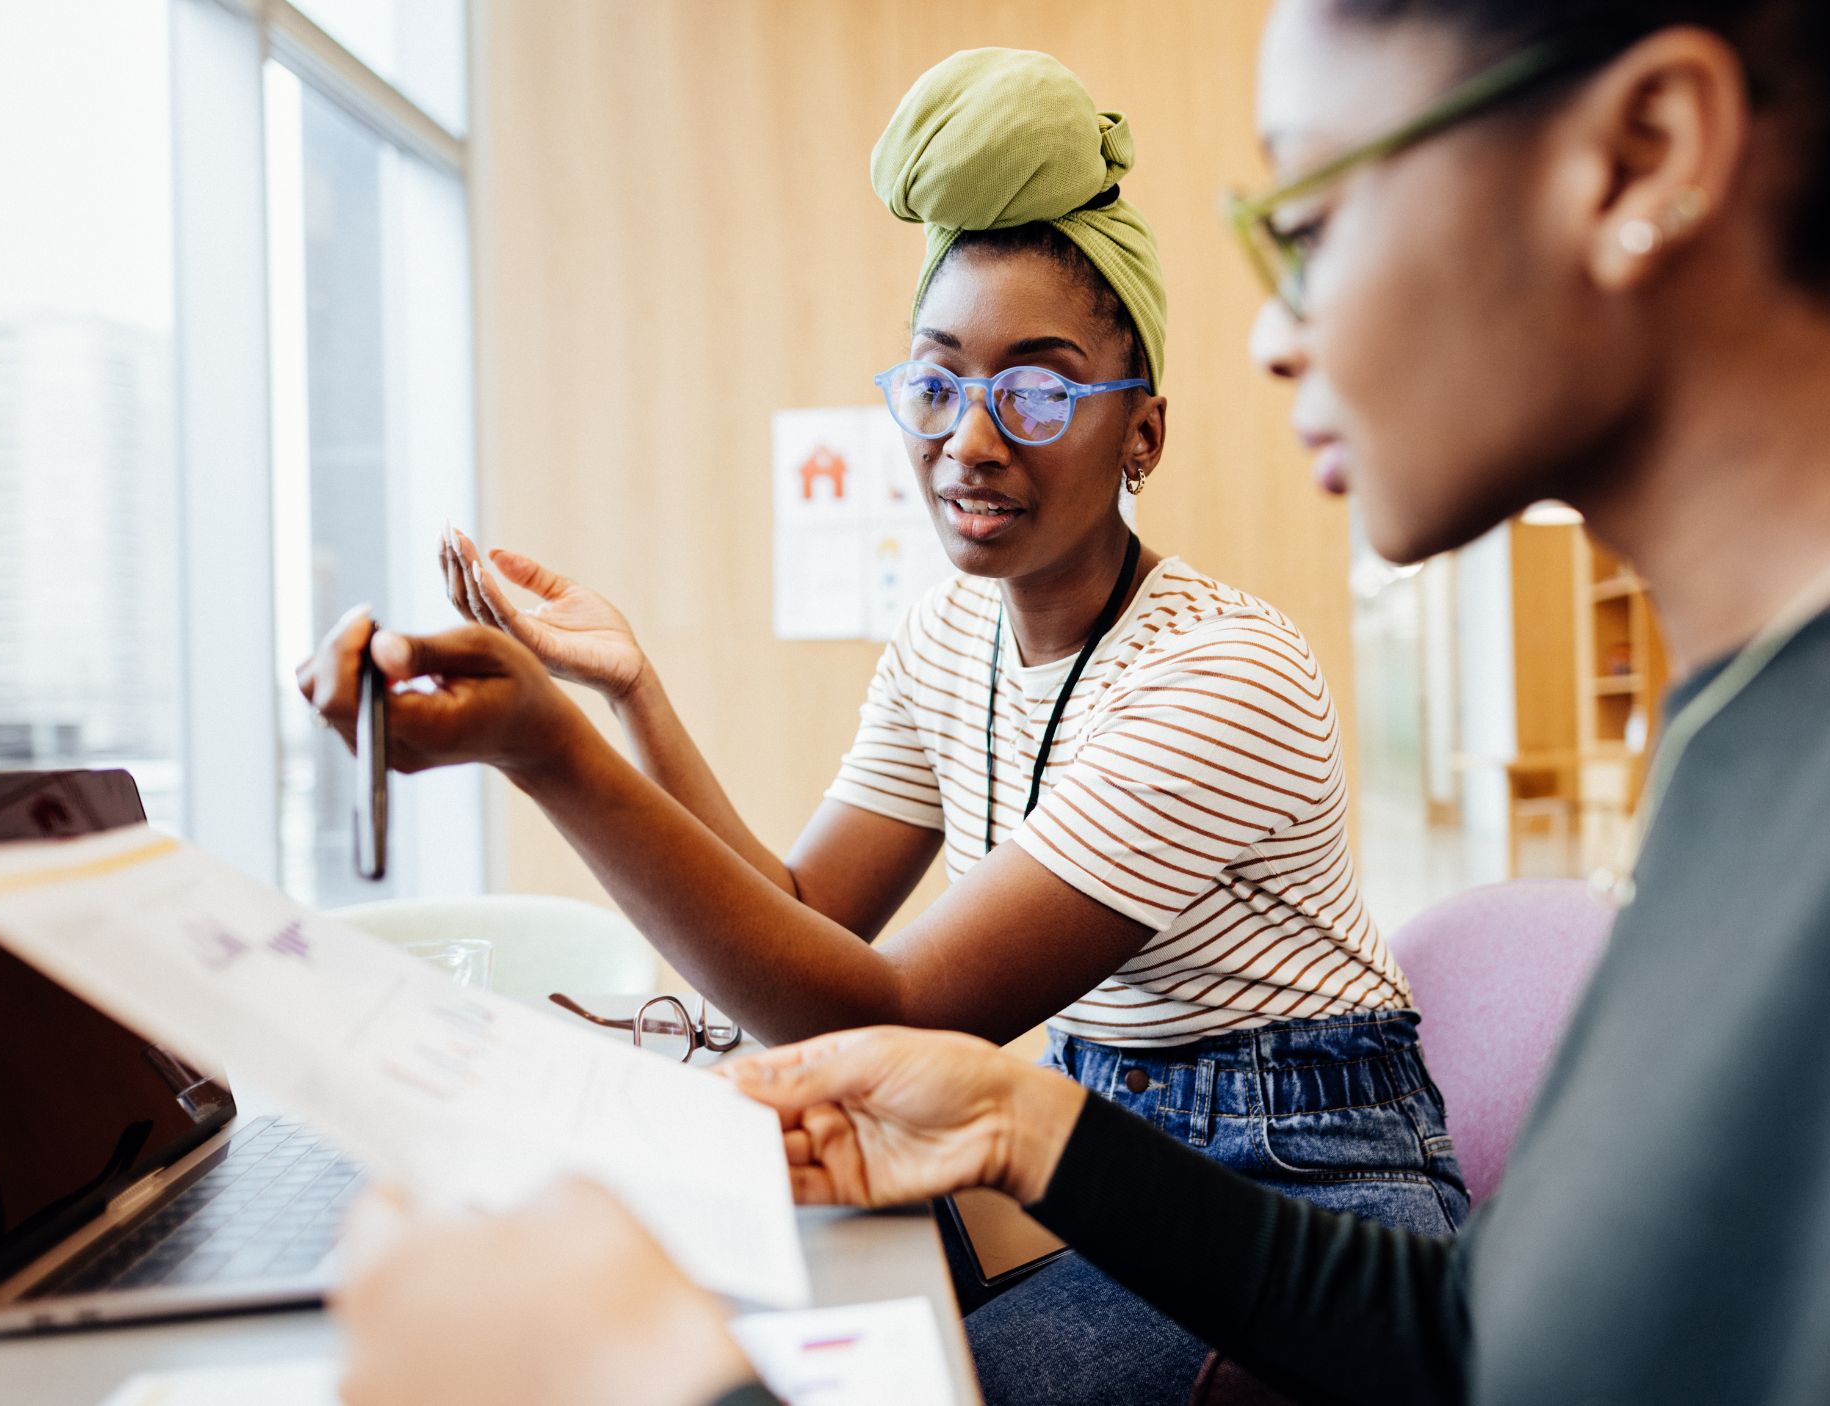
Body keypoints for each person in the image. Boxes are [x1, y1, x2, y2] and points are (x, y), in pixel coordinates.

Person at [336, 0, 1830, 1402]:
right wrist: (1041, 1116)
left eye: (1302, 213)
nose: (1261, 325)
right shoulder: (1772, 717)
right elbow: (1504, 1354)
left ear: (1640, 155)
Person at [299, 46, 1466, 1404]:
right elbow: (807, 916)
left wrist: (544, 752)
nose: (971, 438)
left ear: (1141, 432)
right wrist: (631, 697)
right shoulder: (945, 636)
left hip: (1311, 1198)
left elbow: (888, 1004)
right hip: (1094, 1149)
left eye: (1037, 389)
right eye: (935, 381)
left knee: (862, 1374)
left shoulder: (1221, 675)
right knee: (770, 1294)